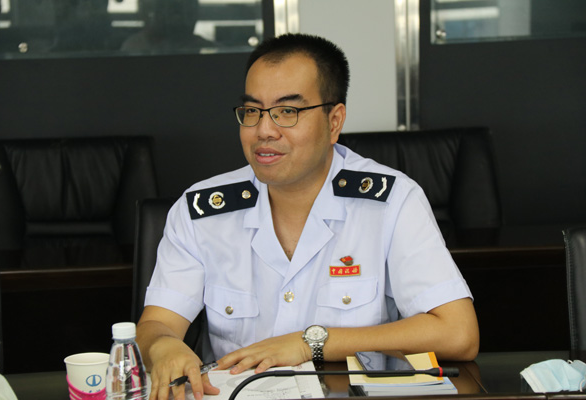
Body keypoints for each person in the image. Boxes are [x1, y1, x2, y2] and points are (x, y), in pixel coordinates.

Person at [137, 33, 479, 400]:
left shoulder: (391, 202)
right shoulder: (201, 211)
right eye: (252, 111)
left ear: (334, 121)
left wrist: (310, 343)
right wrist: (163, 346)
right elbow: (155, 325)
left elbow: (458, 334)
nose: (264, 130)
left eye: (287, 111)